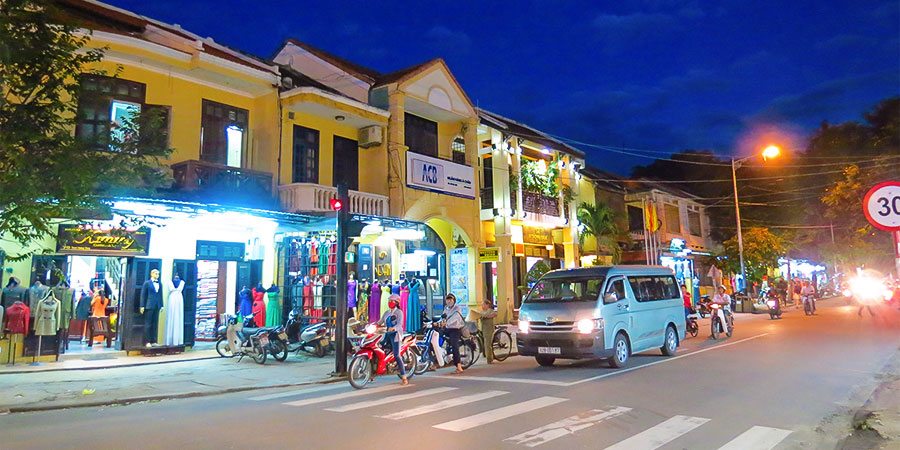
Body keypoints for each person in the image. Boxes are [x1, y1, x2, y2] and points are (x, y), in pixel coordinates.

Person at [377, 294, 408, 386]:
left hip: (396, 335)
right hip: (387, 335)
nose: (390, 303)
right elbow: (380, 322)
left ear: (396, 302)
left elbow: (399, 324)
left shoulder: (399, 312)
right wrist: (372, 325)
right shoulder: (386, 313)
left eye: (392, 301)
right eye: (389, 301)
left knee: (397, 355)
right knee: (380, 349)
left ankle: (404, 377)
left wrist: (393, 328)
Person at [441, 293, 465, 374]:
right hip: (447, 329)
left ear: (454, 300)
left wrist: (446, 323)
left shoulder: (457, 309)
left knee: (454, 345)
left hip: (455, 329)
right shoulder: (446, 308)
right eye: (447, 299)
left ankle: (459, 366)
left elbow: (455, 319)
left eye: (450, 299)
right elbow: (443, 316)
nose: (449, 301)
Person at [473, 299, 498, 364]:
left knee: (487, 344)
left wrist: (486, 316)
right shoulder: (481, 312)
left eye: (483, 304)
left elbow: (494, 314)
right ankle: (485, 355)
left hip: (489, 330)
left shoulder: (490, 311)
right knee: (483, 343)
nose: (482, 306)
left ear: (487, 305)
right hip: (483, 329)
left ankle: (490, 359)